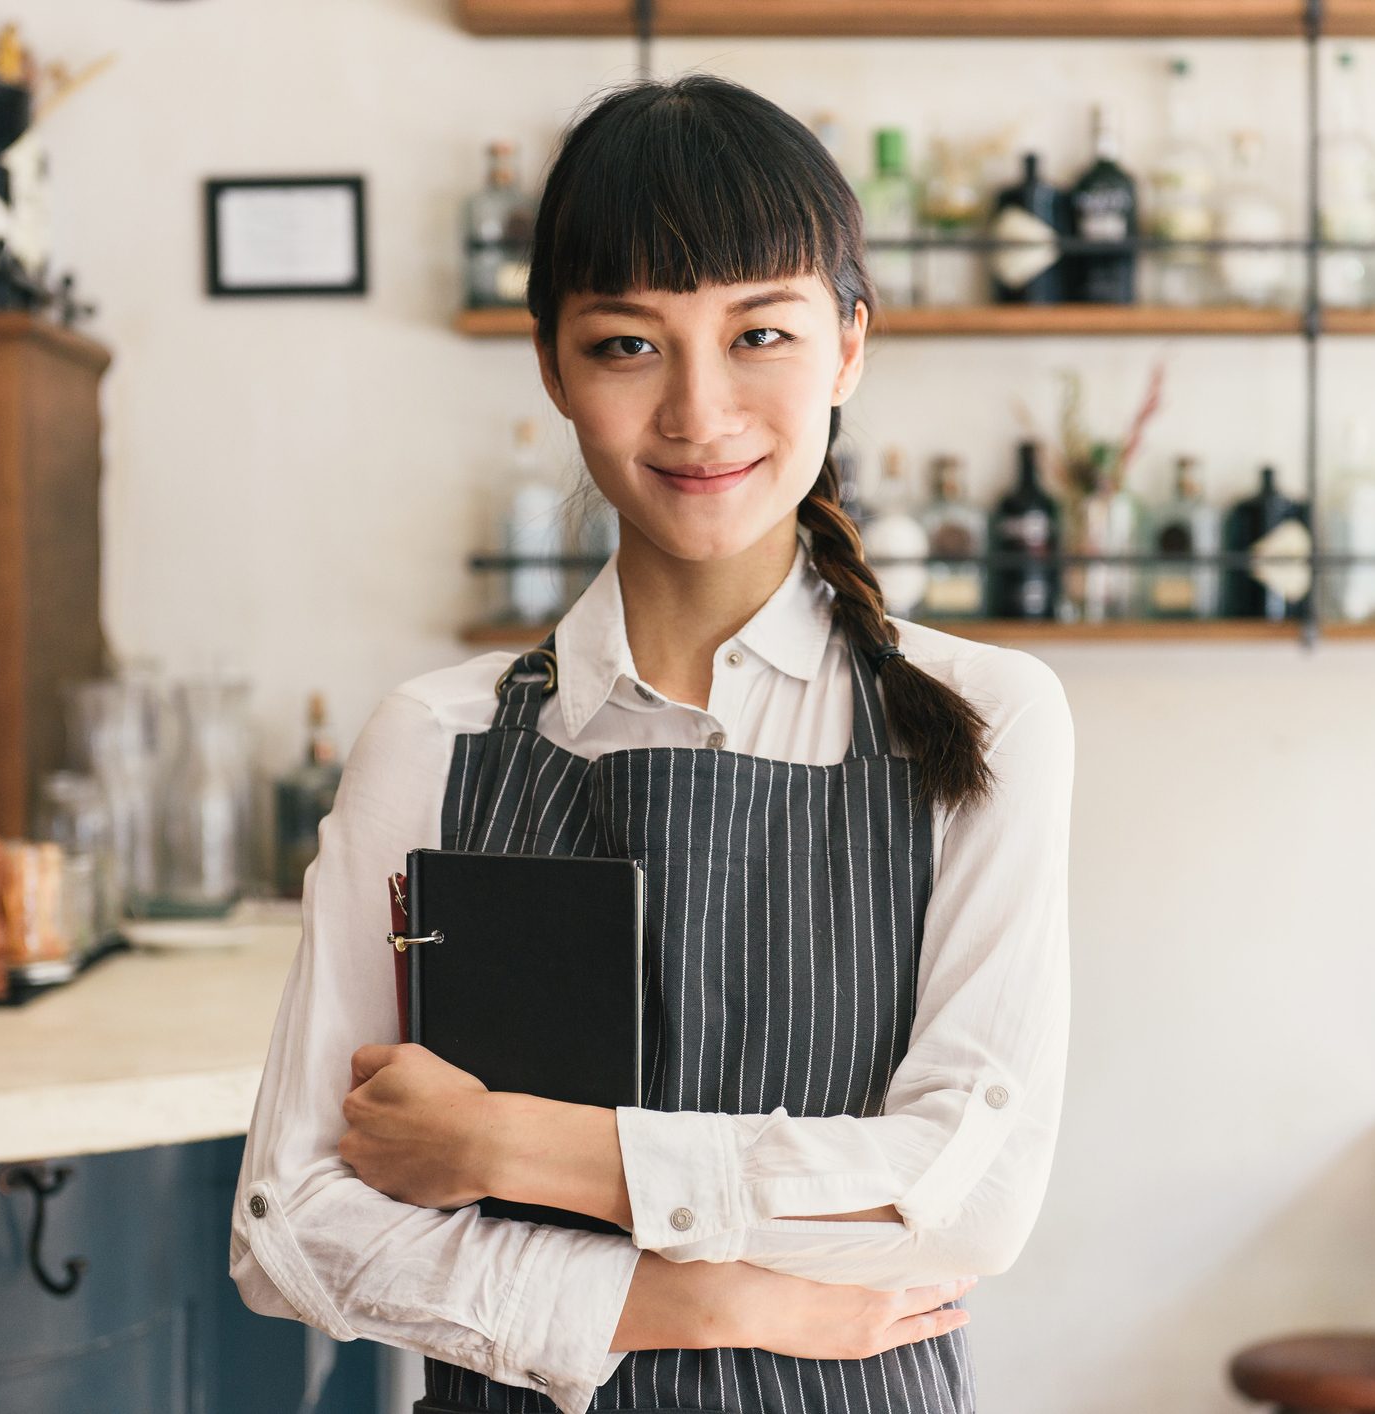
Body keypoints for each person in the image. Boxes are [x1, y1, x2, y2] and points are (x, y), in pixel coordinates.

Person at [231, 72, 1073, 1414]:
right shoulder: (432, 740)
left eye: (760, 336)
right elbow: (289, 1224)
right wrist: (698, 1295)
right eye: (630, 344)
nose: (698, 412)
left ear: (849, 343)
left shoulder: (982, 721)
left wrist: (514, 1143)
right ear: (553, 364)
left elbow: (963, 1194)